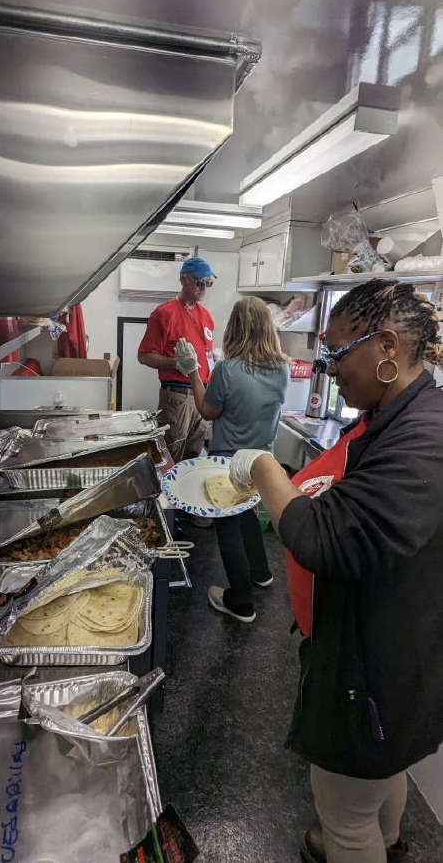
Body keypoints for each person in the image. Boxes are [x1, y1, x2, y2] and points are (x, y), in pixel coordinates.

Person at [229, 280, 443, 863]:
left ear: (388, 346)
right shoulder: (389, 415)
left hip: (379, 669)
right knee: (379, 775)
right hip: (379, 652)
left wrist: (264, 466)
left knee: (345, 814)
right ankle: (392, 842)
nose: (327, 368)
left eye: (338, 352)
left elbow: (323, 538)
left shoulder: (426, 437)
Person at [175, 296, 289, 622]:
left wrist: (193, 372)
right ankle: (261, 572)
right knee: (248, 514)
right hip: (261, 462)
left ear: (234, 328)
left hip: (228, 463)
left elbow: (208, 410)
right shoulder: (282, 367)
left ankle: (241, 602)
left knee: (227, 529)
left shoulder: (228, 369)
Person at [138, 256, 216, 465]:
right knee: (170, 456)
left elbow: (206, 353)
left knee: (193, 457)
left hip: (202, 397)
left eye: (208, 283)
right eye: (199, 282)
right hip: (177, 398)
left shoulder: (206, 315)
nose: (204, 288)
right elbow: (143, 355)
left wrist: (214, 361)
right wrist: (175, 364)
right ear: (184, 280)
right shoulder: (165, 313)